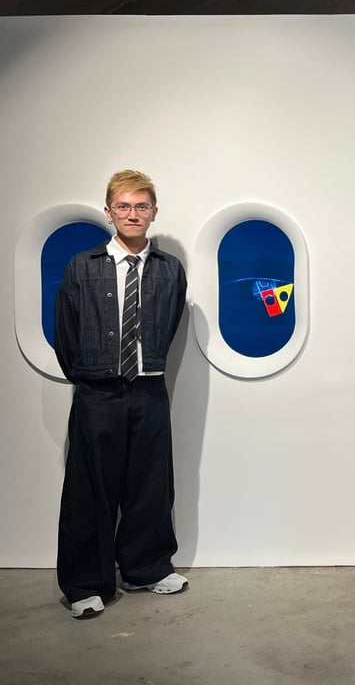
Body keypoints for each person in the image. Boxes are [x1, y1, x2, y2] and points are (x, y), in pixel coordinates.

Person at [54, 170, 189, 618]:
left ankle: (145, 568)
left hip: (148, 388)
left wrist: (144, 364)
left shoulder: (170, 270)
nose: (134, 214)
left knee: (150, 483)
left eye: (142, 206)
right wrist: (91, 373)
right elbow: (66, 332)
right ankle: (85, 584)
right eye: (125, 206)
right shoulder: (82, 267)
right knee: (89, 489)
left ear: (154, 212)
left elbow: (167, 326)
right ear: (109, 211)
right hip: (98, 391)